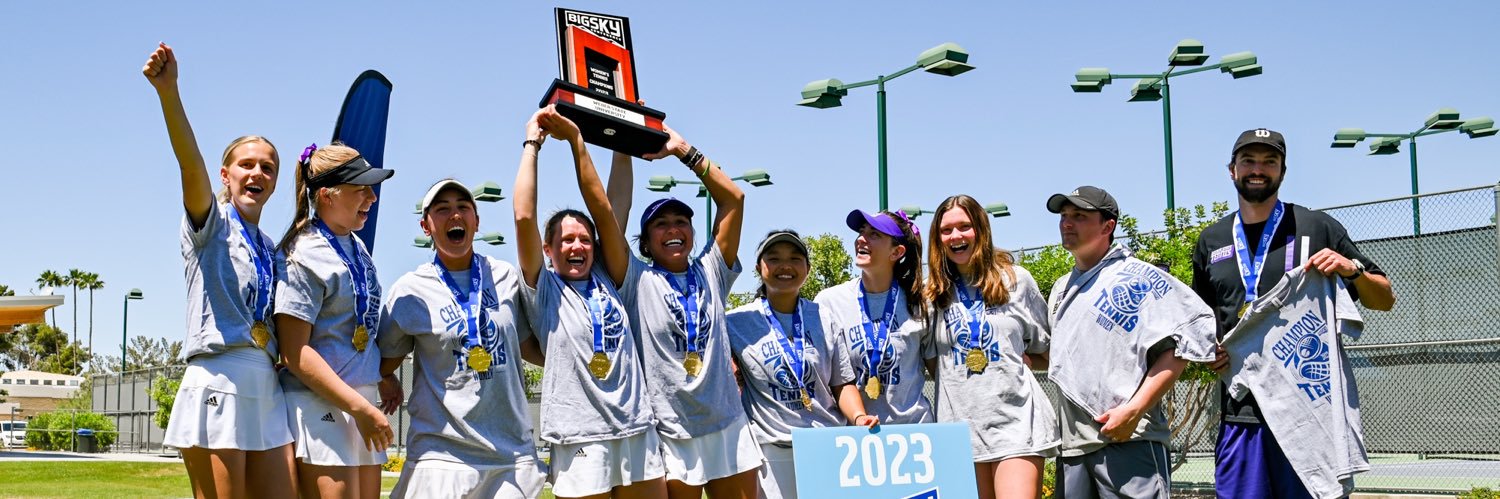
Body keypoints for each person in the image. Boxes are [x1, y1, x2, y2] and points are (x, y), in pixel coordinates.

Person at [1192, 128, 1395, 498]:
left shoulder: (1316, 227)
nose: (1258, 169)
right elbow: (1200, 320)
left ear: (1283, 172)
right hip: (1242, 413)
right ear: (1232, 170)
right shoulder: (1212, 239)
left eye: (1269, 162)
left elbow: (1383, 298)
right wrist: (1208, 353)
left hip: (1310, 416)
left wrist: (1352, 270)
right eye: (1248, 161)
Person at [144, 42, 297, 498]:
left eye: (267, 168)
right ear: (226, 175)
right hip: (218, 377)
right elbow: (189, 166)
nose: (257, 173)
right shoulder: (211, 225)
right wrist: (169, 93)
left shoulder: (271, 248)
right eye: (246, 165)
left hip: (266, 382)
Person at [513, 106, 664, 499]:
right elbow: (524, 217)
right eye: (566, 240)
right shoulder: (543, 287)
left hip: (635, 426)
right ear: (548, 250)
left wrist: (622, 133)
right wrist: (532, 145)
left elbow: (611, 207)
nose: (577, 246)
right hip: (579, 433)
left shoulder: (609, 276)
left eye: (584, 239)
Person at [605, 126, 763, 499]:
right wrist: (622, 143)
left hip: (727, 425)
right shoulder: (637, 280)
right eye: (661, 224)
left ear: (692, 232)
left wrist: (682, 150)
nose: (673, 229)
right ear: (646, 242)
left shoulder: (712, 270)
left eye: (681, 222)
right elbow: (610, 220)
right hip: (670, 431)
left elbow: (734, 199)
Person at [1043, 186, 1217, 498]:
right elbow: (1057, 356)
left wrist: (1134, 410)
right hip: (1073, 447)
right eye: (1064, 215)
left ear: (1107, 226)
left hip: (1129, 439)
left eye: (1079, 216)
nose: (1066, 223)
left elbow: (1179, 349)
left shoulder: (1138, 278)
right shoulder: (1060, 288)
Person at [378, 179, 544, 498]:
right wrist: (386, 379)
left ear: (476, 221)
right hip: (440, 454)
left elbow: (524, 345)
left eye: (463, 207)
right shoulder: (410, 290)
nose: (455, 215)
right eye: (442, 209)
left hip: (510, 453)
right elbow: (383, 361)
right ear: (426, 226)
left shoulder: (505, 276)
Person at [275, 142, 396, 498]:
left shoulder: (357, 247)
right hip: (321, 405)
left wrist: (382, 376)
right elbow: (294, 353)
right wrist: (359, 408)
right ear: (327, 195)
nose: (372, 197)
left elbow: (355, 327)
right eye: (361, 189)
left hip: (362, 404)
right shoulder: (303, 252)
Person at [922, 195, 1058, 499]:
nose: (955, 236)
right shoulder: (932, 294)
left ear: (981, 230)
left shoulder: (1016, 280)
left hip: (1016, 424)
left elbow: (1049, 351)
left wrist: (1024, 360)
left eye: (964, 226)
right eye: (946, 230)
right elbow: (933, 364)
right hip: (959, 431)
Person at [726, 229, 879, 499]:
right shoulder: (735, 322)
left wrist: (858, 417)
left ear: (807, 268)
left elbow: (842, 383)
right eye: (774, 258)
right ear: (759, 268)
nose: (785, 266)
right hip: (771, 452)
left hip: (827, 447)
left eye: (795, 259)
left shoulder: (824, 317)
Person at [814, 209, 933, 425]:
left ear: (896, 252)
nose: (861, 239)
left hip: (915, 433)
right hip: (856, 435)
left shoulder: (920, 301)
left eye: (874, 234)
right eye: (861, 232)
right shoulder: (829, 302)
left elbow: (939, 371)